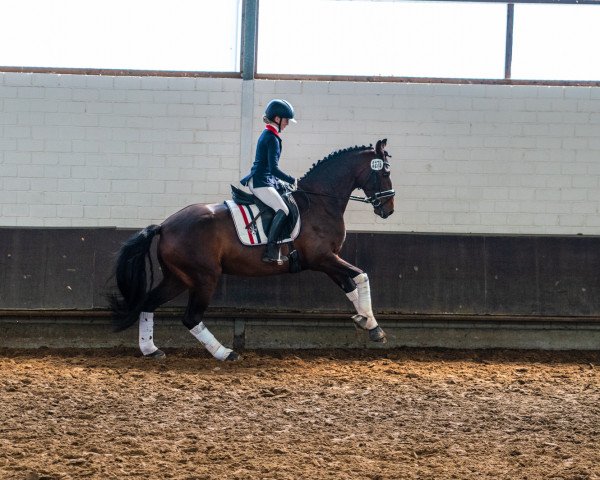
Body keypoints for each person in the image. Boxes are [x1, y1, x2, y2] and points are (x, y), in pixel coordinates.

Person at [240, 99, 298, 263]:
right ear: (278, 119)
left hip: (265, 179)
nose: (287, 124)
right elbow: (273, 169)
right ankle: (271, 251)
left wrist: (281, 183)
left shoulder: (271, 135)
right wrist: (291, 179)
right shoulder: (271, 138)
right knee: (283, 209)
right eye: (286, 120)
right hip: (260, 181)